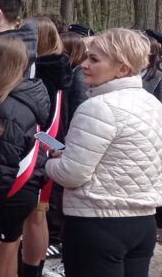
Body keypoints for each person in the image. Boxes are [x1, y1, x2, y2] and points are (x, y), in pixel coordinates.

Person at [45, 29, 162, 277]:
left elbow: (72, 174)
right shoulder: (153, 104)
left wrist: (49, 162)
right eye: (87, 57)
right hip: (143, 224)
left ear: (122, 69)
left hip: (98, 223)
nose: (84, 65)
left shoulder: (97, 107)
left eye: (94, 60)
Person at [0, 35, 50, 277]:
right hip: (25, 187)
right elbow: (39, 136)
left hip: (8, 193)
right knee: (8, 259)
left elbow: (3, 163)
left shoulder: (7, 107)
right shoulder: (28, 95)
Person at [22, 17, 80, 276]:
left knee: (36, 214)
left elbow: (47, 120)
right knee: (37, 215)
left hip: (40, 147)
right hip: (47, 145)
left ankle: (32, 268)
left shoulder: (46, 73)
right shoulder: (53, 68)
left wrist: (43, 145)